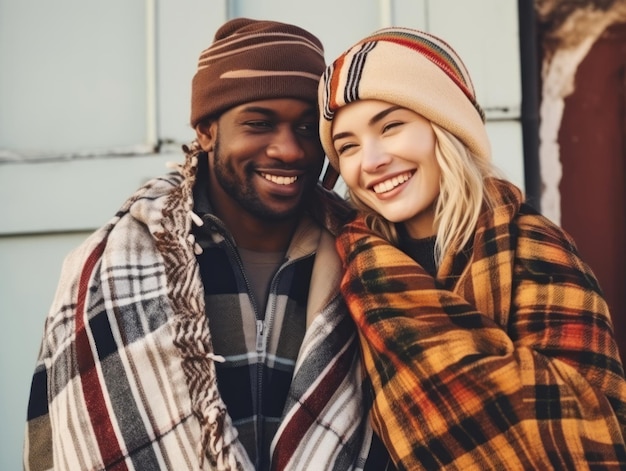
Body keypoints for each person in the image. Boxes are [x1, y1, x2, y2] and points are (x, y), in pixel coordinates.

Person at [23, 18, 375, 471]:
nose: (289, 150)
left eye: (308, 128)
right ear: (207, 131)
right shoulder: (105, 271)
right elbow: (63, 438)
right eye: (259, 123)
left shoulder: (365, 256)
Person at [318, 26, 626, 469]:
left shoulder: (537, 249)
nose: (370, 160)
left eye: (391, 127)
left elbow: (587, 431)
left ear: (445, 126)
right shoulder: (350, 271)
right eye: (347, 147)